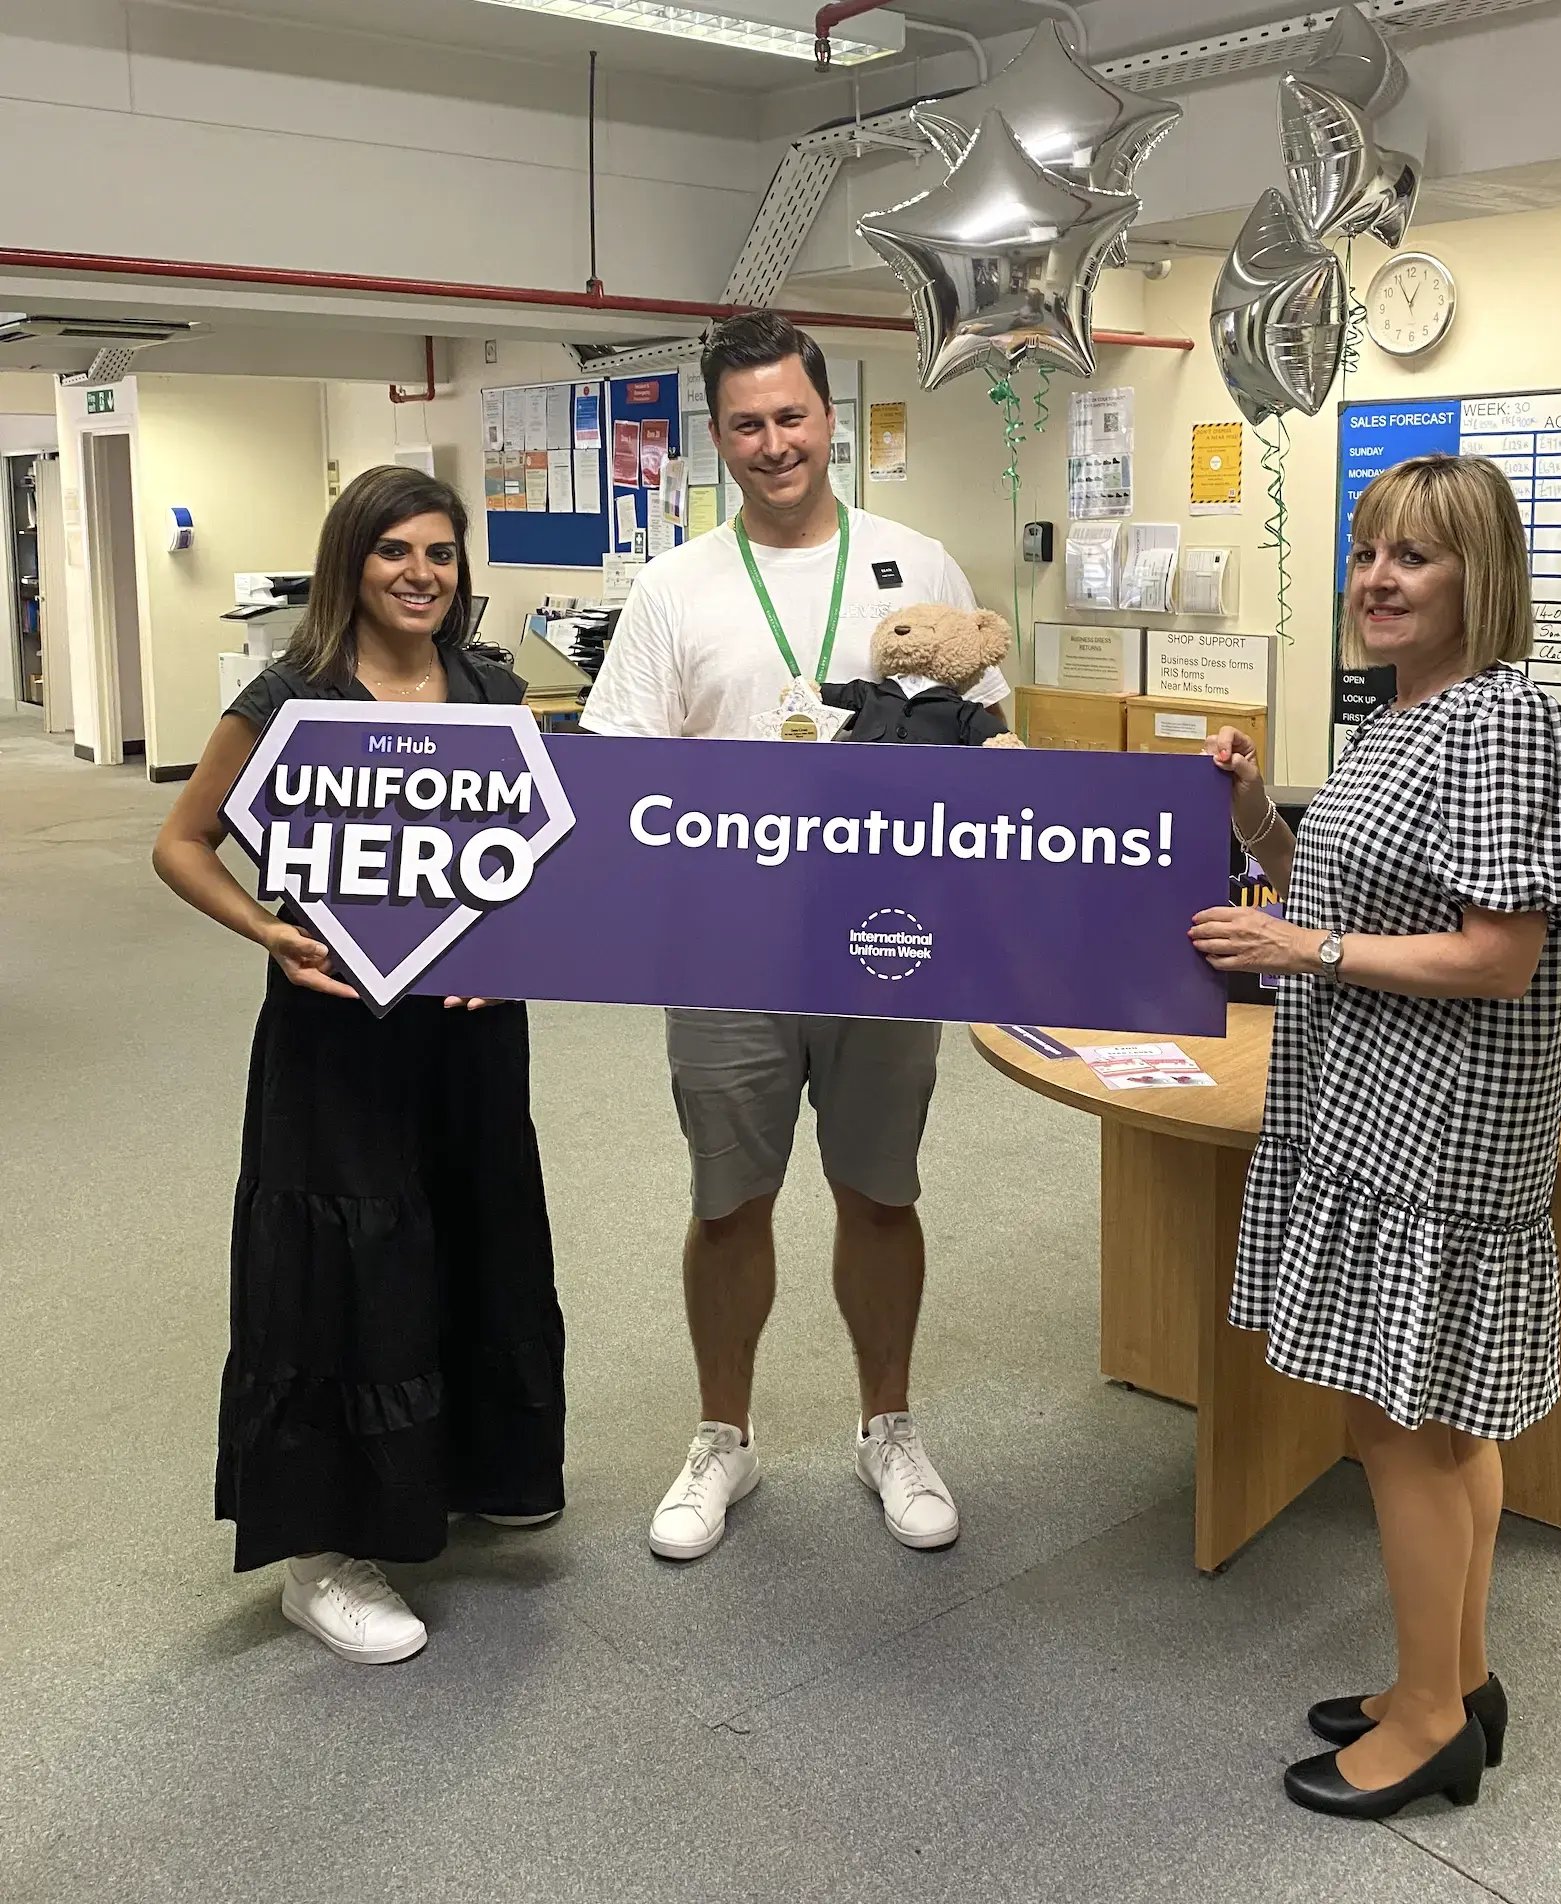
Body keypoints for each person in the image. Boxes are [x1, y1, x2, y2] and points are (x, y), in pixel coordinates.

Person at [1188, 454, 1561, 1819]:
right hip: (1371, 1105)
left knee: (1401, 1422)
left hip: (1436, 1123)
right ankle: (1458, 1676)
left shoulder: (1501, 719)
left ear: (1481, 576)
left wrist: (1300, 944)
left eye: (1414, 556)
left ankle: (1428, 1724)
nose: (1377, 579)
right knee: (1434, 1415)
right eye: (1369, 551)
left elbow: (1494, 956)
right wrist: (1254, 822)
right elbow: (1348, 896)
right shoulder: (1399, 719)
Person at [582, 310, 1009, 1561]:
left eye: (793, 416)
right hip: (727, 946)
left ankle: (889, 1426)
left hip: (887, 936)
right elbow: (617, 775)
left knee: (880, 1190)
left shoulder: (916, 557)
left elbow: (987, 751)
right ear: (717, 438)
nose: (775, 443)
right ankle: (725, 1436)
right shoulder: (672, 586)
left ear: (831, 418)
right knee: (729, 1200)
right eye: (747, 424)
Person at [152, 466, 566, 1664]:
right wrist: (269, 929)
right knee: (349, 1263)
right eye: (396, 552)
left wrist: (521, 940)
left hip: (473, 1030)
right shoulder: (291, 698)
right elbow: (183, 844)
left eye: (440, 553)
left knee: (474, 1231)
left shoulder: (492, 686)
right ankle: (322, 1550)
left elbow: (539, 854)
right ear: (351, 562)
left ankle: (467, 1465)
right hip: (338, 1035)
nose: (421, 573)